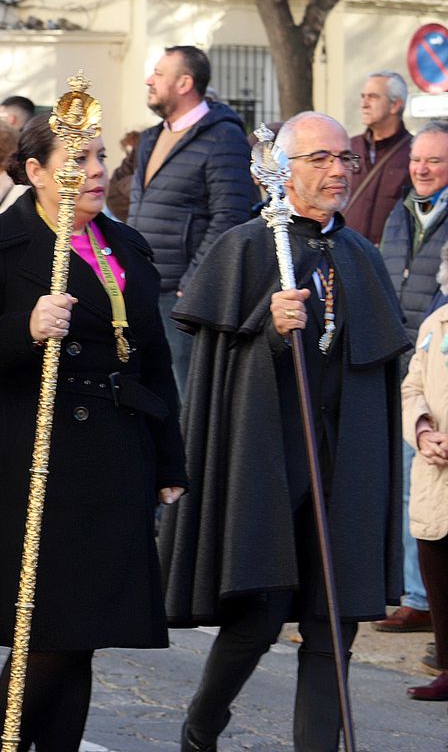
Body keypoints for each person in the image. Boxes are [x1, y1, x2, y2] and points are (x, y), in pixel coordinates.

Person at [0, 115, 187, 752]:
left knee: (81, 638)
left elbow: (153, 359)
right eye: (78, 162)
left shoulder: (126, 244)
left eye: (100, 158)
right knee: (41, 639)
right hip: (31, 459)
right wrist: (26, 328)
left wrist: (168, 460)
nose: (96, 172)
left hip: (112, 456)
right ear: (37, 172)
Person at [162, 111, 408, 752]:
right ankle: (203, 724)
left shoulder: (360, 254)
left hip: (345, 460)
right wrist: (269, 329)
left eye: (344, 159)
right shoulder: (246, 247)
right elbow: (215, 372)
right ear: (283, 172)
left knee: (335, 625)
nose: (337, 171)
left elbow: (377, 362)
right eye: (320, 159)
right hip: (269, 456)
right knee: (258, 616)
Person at [126, 45, 255, 398]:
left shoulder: (223, 138)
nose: (149, 80)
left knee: (186, 397)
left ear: (184, 83)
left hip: (183, 298)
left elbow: (230, 217)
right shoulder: (152, 138)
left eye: (159, 74)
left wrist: (195, 281)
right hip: (144, 287)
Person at [373, 121, 448, 634]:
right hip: (403, 363)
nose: (421, 169)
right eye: (416, 160)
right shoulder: (401, 213)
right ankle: (416, 595)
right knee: (407, 485)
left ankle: (426, 602)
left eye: (434, 161)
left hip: (437, 360)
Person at [399, 241, 448, 700]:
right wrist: (423, 428)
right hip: (435, 473)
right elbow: (412, 383)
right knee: (437, 568)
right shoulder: (436, 323)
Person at [348, 71, 412, 245]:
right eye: (363, 97)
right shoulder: (347, 148)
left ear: (395, 105)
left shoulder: (415, 154)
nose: (364, 104)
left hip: (388, 261)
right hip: (345, 255)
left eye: (373, 97)